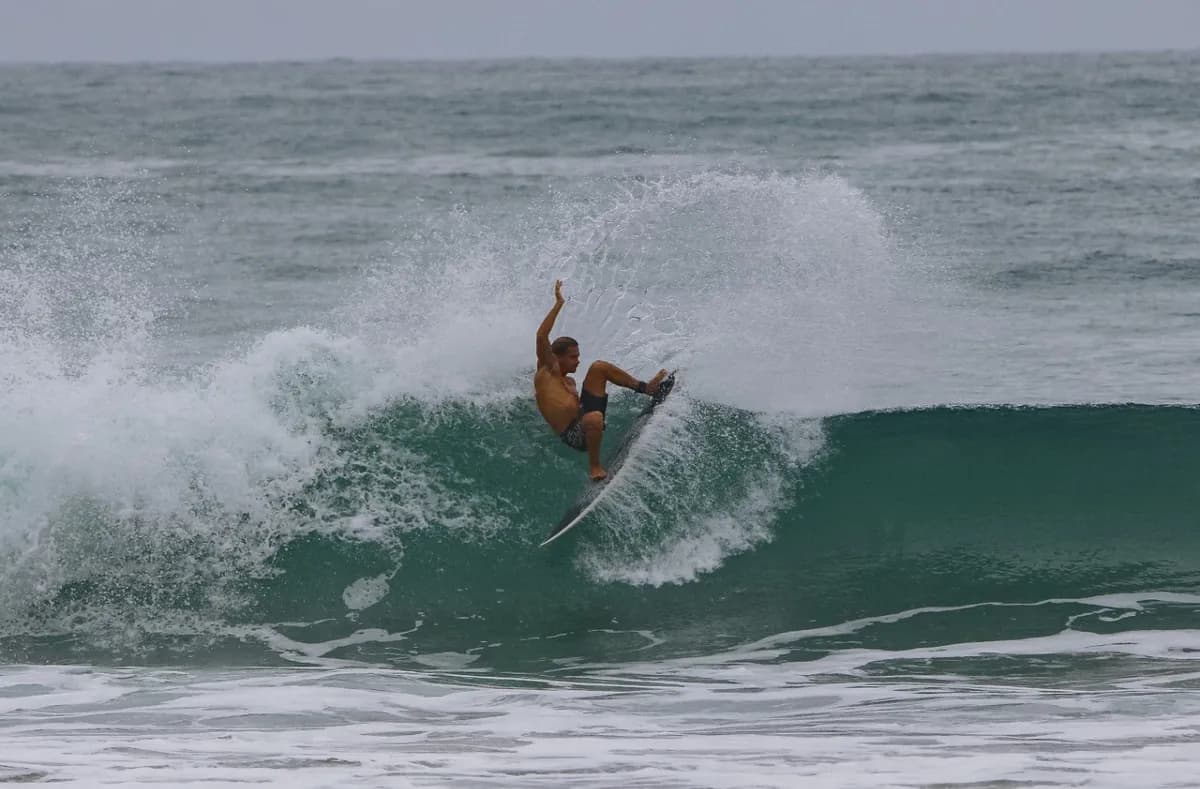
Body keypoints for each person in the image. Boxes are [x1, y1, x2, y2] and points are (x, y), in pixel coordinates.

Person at [534, 280, 668, 481]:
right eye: (573, 357)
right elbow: (541, 335)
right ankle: (595, 467)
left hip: (585, 418)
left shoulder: (569, 383)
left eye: (578, 356)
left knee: (599, 367)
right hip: (574, 435)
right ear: (557, 357)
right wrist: (558, 304)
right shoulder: (546, 371)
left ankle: (646, 388)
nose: (578, 361)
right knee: (594, 418)